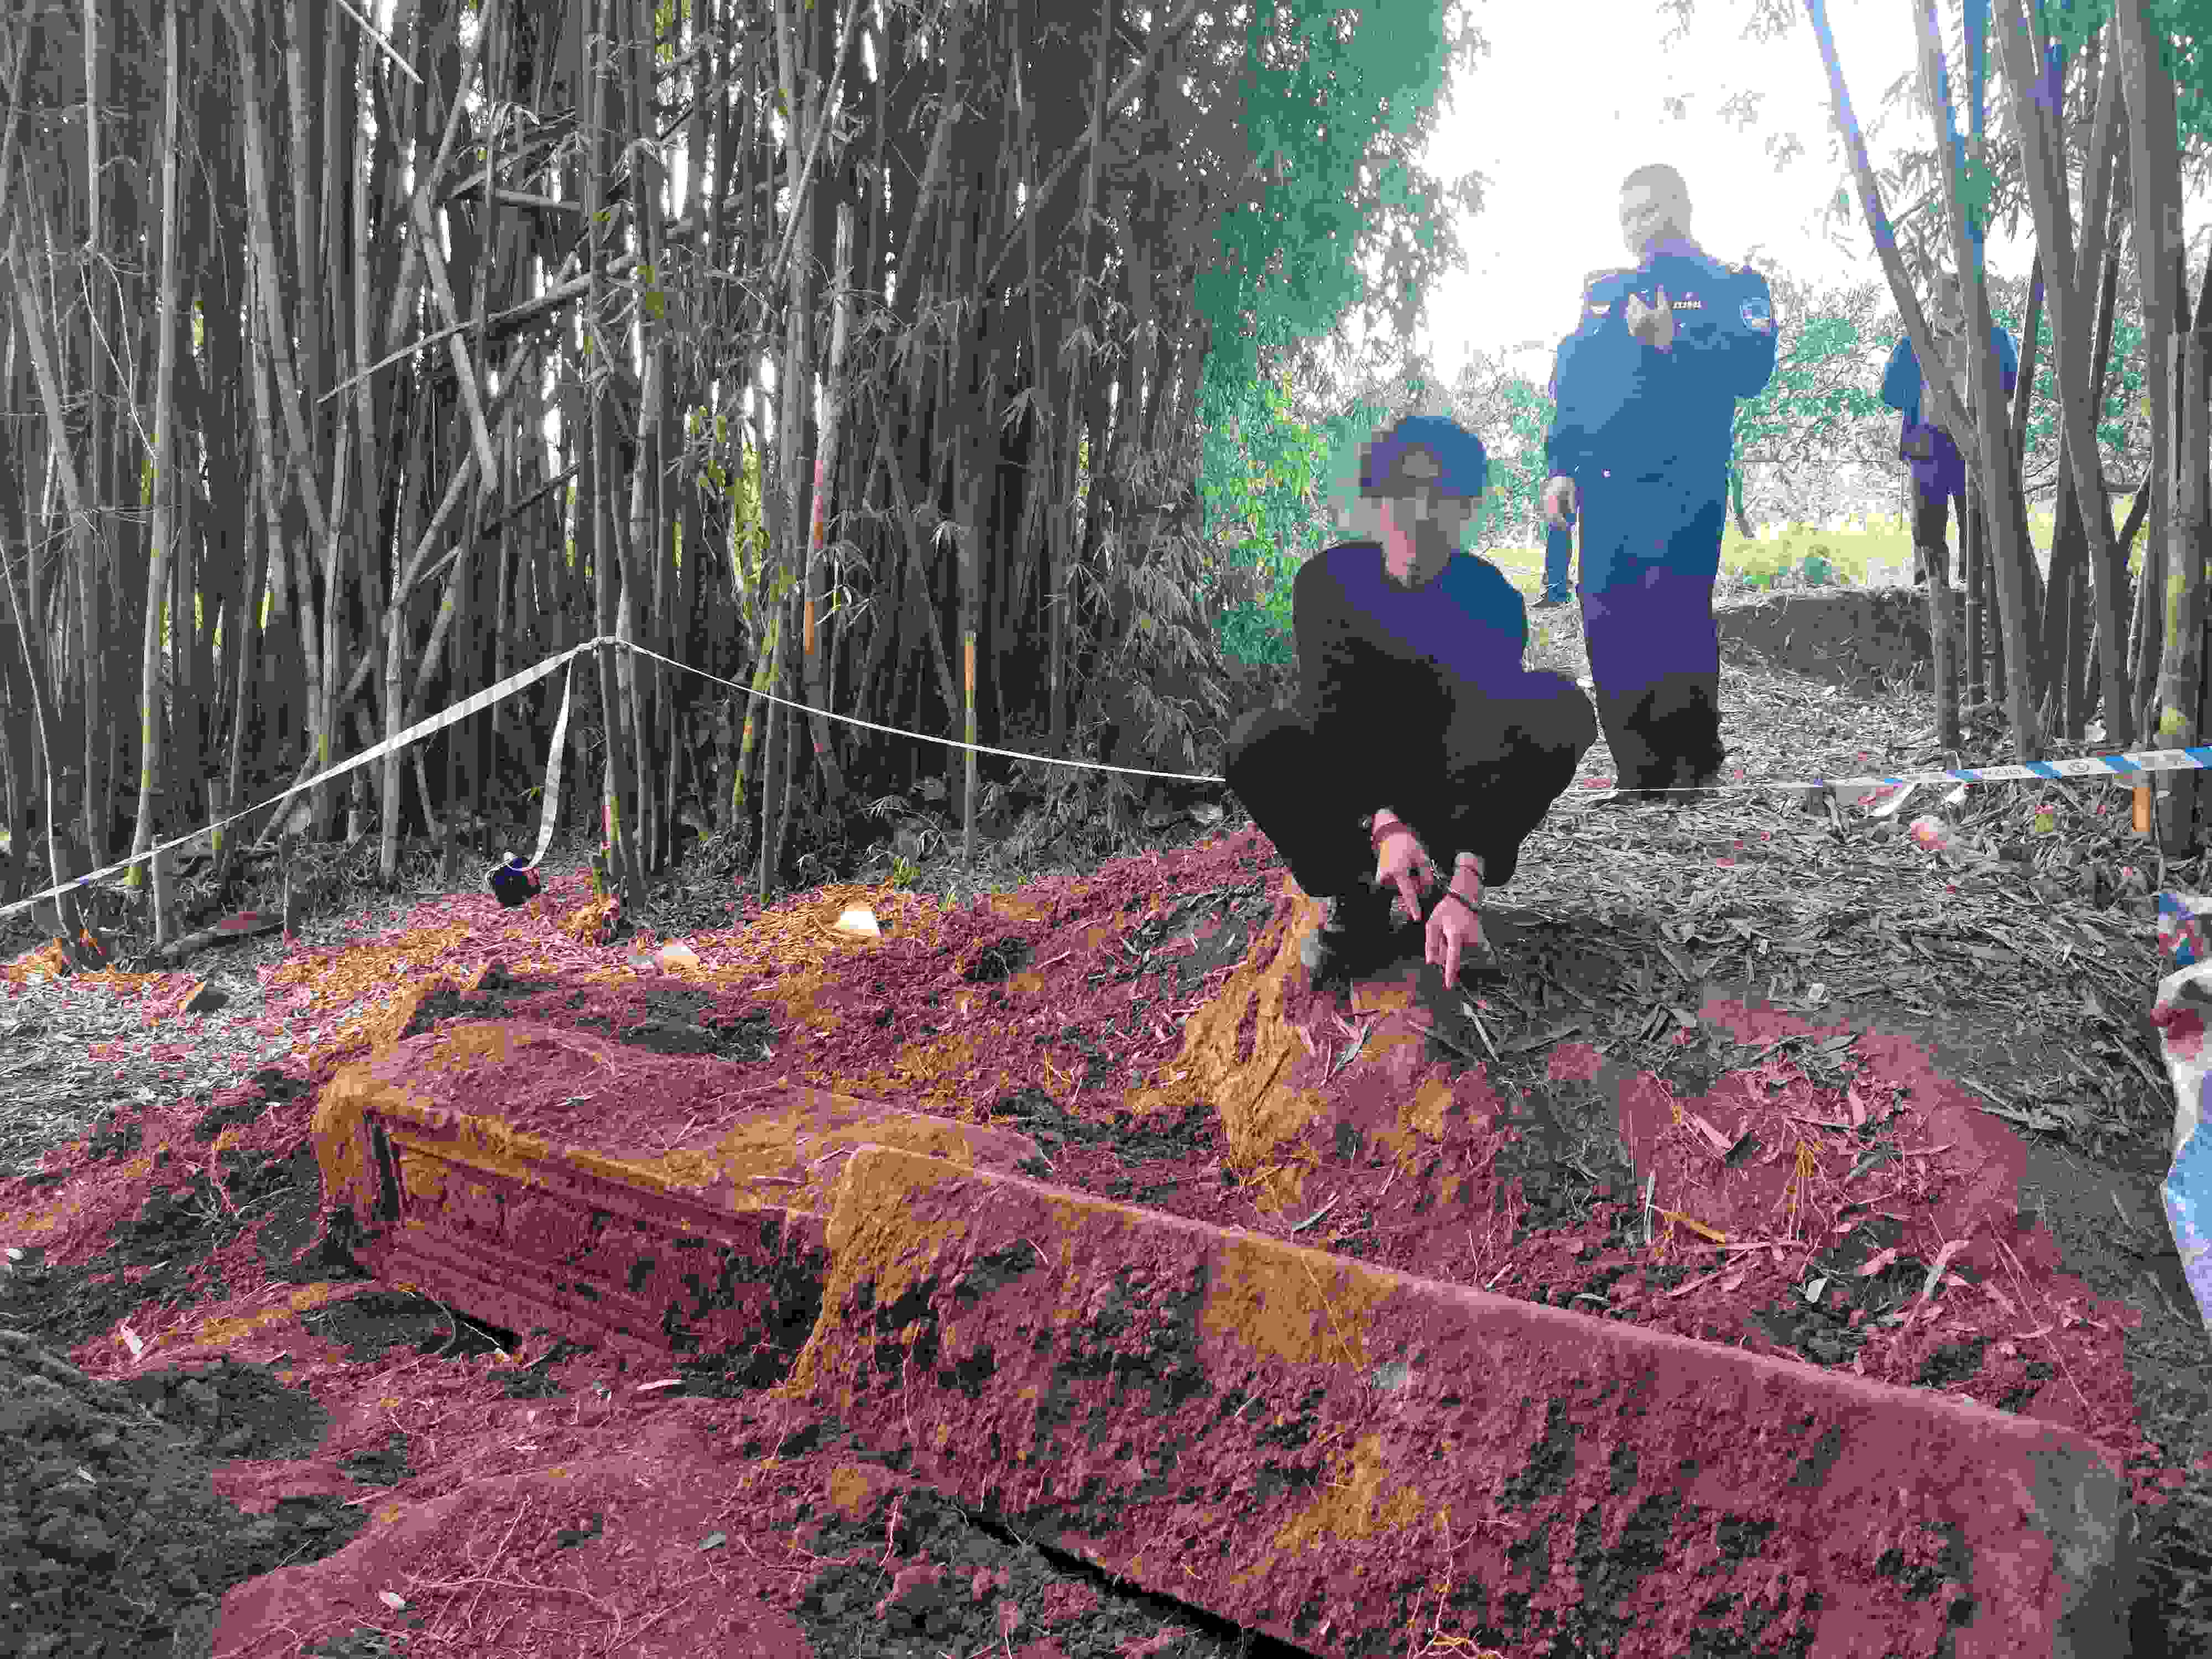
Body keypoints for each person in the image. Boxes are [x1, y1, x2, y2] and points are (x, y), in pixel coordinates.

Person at [1223, 415, 1599, 994]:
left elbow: (1495, 736)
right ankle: (1355, 895)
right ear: (1377, 499)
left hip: (1449, 796)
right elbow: (1331, 718)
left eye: (1442, 494)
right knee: (1256, 740)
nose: (1422, 511)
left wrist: (1468, 879)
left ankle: (1450, 891)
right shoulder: (1326, 583)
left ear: (1466, 510)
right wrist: (1384, 824)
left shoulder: (1491, 599)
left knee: (1561, 706)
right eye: (1406, 490)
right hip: (1355, 801)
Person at [1540, 163, 1778, 804]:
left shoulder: (1731, 285)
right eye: (1626, 215)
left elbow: (1754, 369)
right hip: (1607, 484)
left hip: (1686, 481)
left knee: (1675, 615)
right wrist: (1560, 466)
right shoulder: (1606, 293)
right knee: (1609, 619)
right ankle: (1638, 772)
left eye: (1646, 210)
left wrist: (1675, 339)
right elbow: (1574, 382)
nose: (1635, 226)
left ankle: (1693, 766)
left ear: (1681, 207)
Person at [1880, 270, 2019, 586]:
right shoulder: (1914, 342)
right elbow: (1890, 393)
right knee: (1927, 528)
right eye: (1936, 298)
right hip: (1928, 443)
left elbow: (2011, 387)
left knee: (1978, 527)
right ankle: (1932, 594)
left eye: (1950, 296)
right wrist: (1919, 368)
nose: (1941, 305)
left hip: (1977, 442)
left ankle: (1977, 593)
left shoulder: (1994, 338)